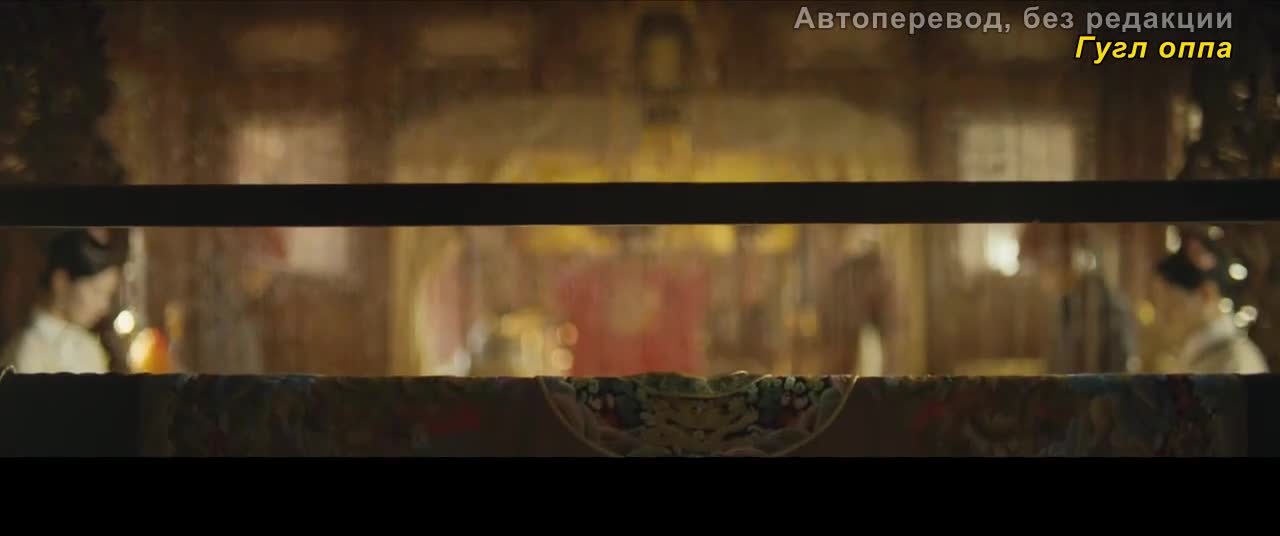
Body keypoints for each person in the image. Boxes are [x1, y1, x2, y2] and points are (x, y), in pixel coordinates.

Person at [1019, 224, 1138, 374]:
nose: (1039, 276)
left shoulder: (1104, 309)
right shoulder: (1065, 305)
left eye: (1040, 266)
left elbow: (1115, 373)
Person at [1, 229, 123, 373]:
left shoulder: (88, 345)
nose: (104, 305)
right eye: (97, 291)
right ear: (61, 282)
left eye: (108, 295)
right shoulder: (27, 348)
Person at [1156, 231, 1268, 374]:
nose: (1162, 314)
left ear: (1206, 295)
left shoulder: (1236, 362)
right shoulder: (1201, 356)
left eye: (1169, 303)